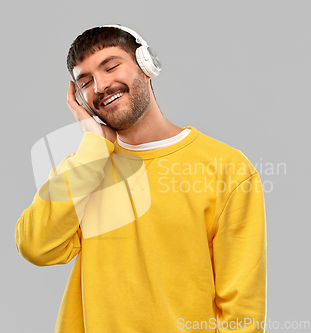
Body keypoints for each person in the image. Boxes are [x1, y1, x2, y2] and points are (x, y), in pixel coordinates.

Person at [15, 25, 267, 332]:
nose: (101, 85)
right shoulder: (85, 169)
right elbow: (35, 246)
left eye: (111, 66)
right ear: (79, 99)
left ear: (147, 65)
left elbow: (243, 312)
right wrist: (94, 147)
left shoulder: (227, 168)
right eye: (86, 82)